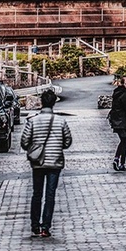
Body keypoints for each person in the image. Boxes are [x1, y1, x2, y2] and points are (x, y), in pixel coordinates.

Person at [20, 88, 72, 238]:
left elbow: (24, 142)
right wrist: (57, 146)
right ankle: (46, 226)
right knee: (50, 194)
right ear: (54, 103)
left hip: (38, 162)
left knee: (37, 193)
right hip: (55, 161)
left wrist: (34, 147)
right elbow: (67, 141)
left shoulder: (32, 120)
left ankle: (34, 225)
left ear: (41, 102)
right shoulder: (61, 121)